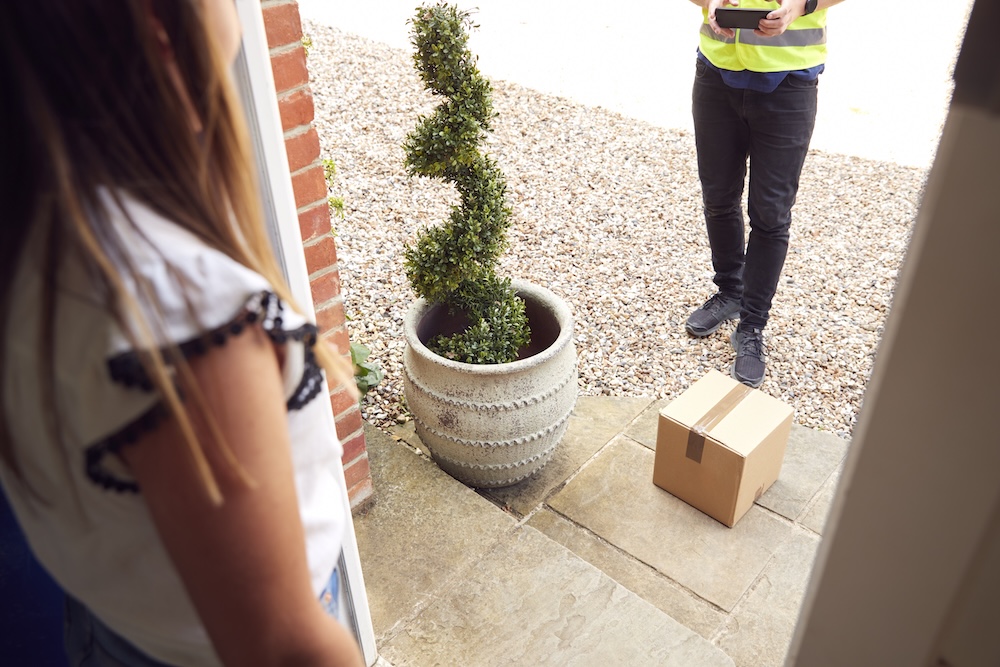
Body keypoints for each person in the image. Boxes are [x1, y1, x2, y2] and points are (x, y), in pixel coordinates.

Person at [0, 2, 365, 665]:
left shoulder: (37, 235)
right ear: (159, 29)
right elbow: (284, 647)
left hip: (114, 628)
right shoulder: (184, 313)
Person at [685, 0, 845, 387]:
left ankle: (753, 325)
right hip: (715, 73)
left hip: (789, 83)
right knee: (718, 198)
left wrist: (800, 7)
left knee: (771, 215)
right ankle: (730, 292)